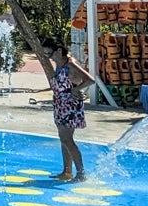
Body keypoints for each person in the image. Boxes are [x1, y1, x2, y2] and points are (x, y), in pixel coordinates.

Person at [42, 38, 104, 181]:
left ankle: (81, 174)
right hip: (60, 105)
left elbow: (90, 80)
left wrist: (76, 89)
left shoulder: (70, 64)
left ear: (58, 50)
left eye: (50, 54)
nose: (49, 57)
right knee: (63, 139)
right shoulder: (59, 65)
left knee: (67, 139)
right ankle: (67, 171)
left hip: (70, 106)